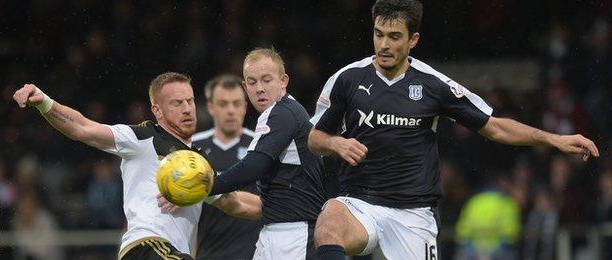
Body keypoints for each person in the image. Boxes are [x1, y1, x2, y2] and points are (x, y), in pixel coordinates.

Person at [307, 0, 600, 259]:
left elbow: (495, 128)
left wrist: (554, 139)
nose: (383, 45)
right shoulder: (347, 79)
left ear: (413, 40)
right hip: (359, 203)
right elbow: (314, 137)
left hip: (412, 212)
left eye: (394, 36)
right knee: (328, 226)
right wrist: (336, 144)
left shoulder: (434, 85)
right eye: (378, 34)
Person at [12, 72, 262, 260]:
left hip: (173, 252)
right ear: (158, 110)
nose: (187, 109)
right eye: (177, 103)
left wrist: (291, 206)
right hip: (146, 247)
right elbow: (82, 128)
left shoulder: (198, 166)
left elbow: (237, 204)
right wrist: (44, 102)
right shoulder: (144, 138)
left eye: (190, 101)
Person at [195, 48, 326, 260]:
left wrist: (204, 186)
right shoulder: (282, 112)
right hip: (276, 231)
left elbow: (253, 166)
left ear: (283, 81)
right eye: (252, 82)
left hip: (294, 234)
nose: (260, 89)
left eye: (267, 80)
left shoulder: (284, 112)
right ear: (245, 87)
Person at [191, 74, 262, 259]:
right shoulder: (192, 151)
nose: (230, 110)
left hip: (255, 254)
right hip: (208, 253)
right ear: (210, 108)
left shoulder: (261, 146)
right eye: (223, 104)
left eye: (236, 103)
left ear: (245, 107)